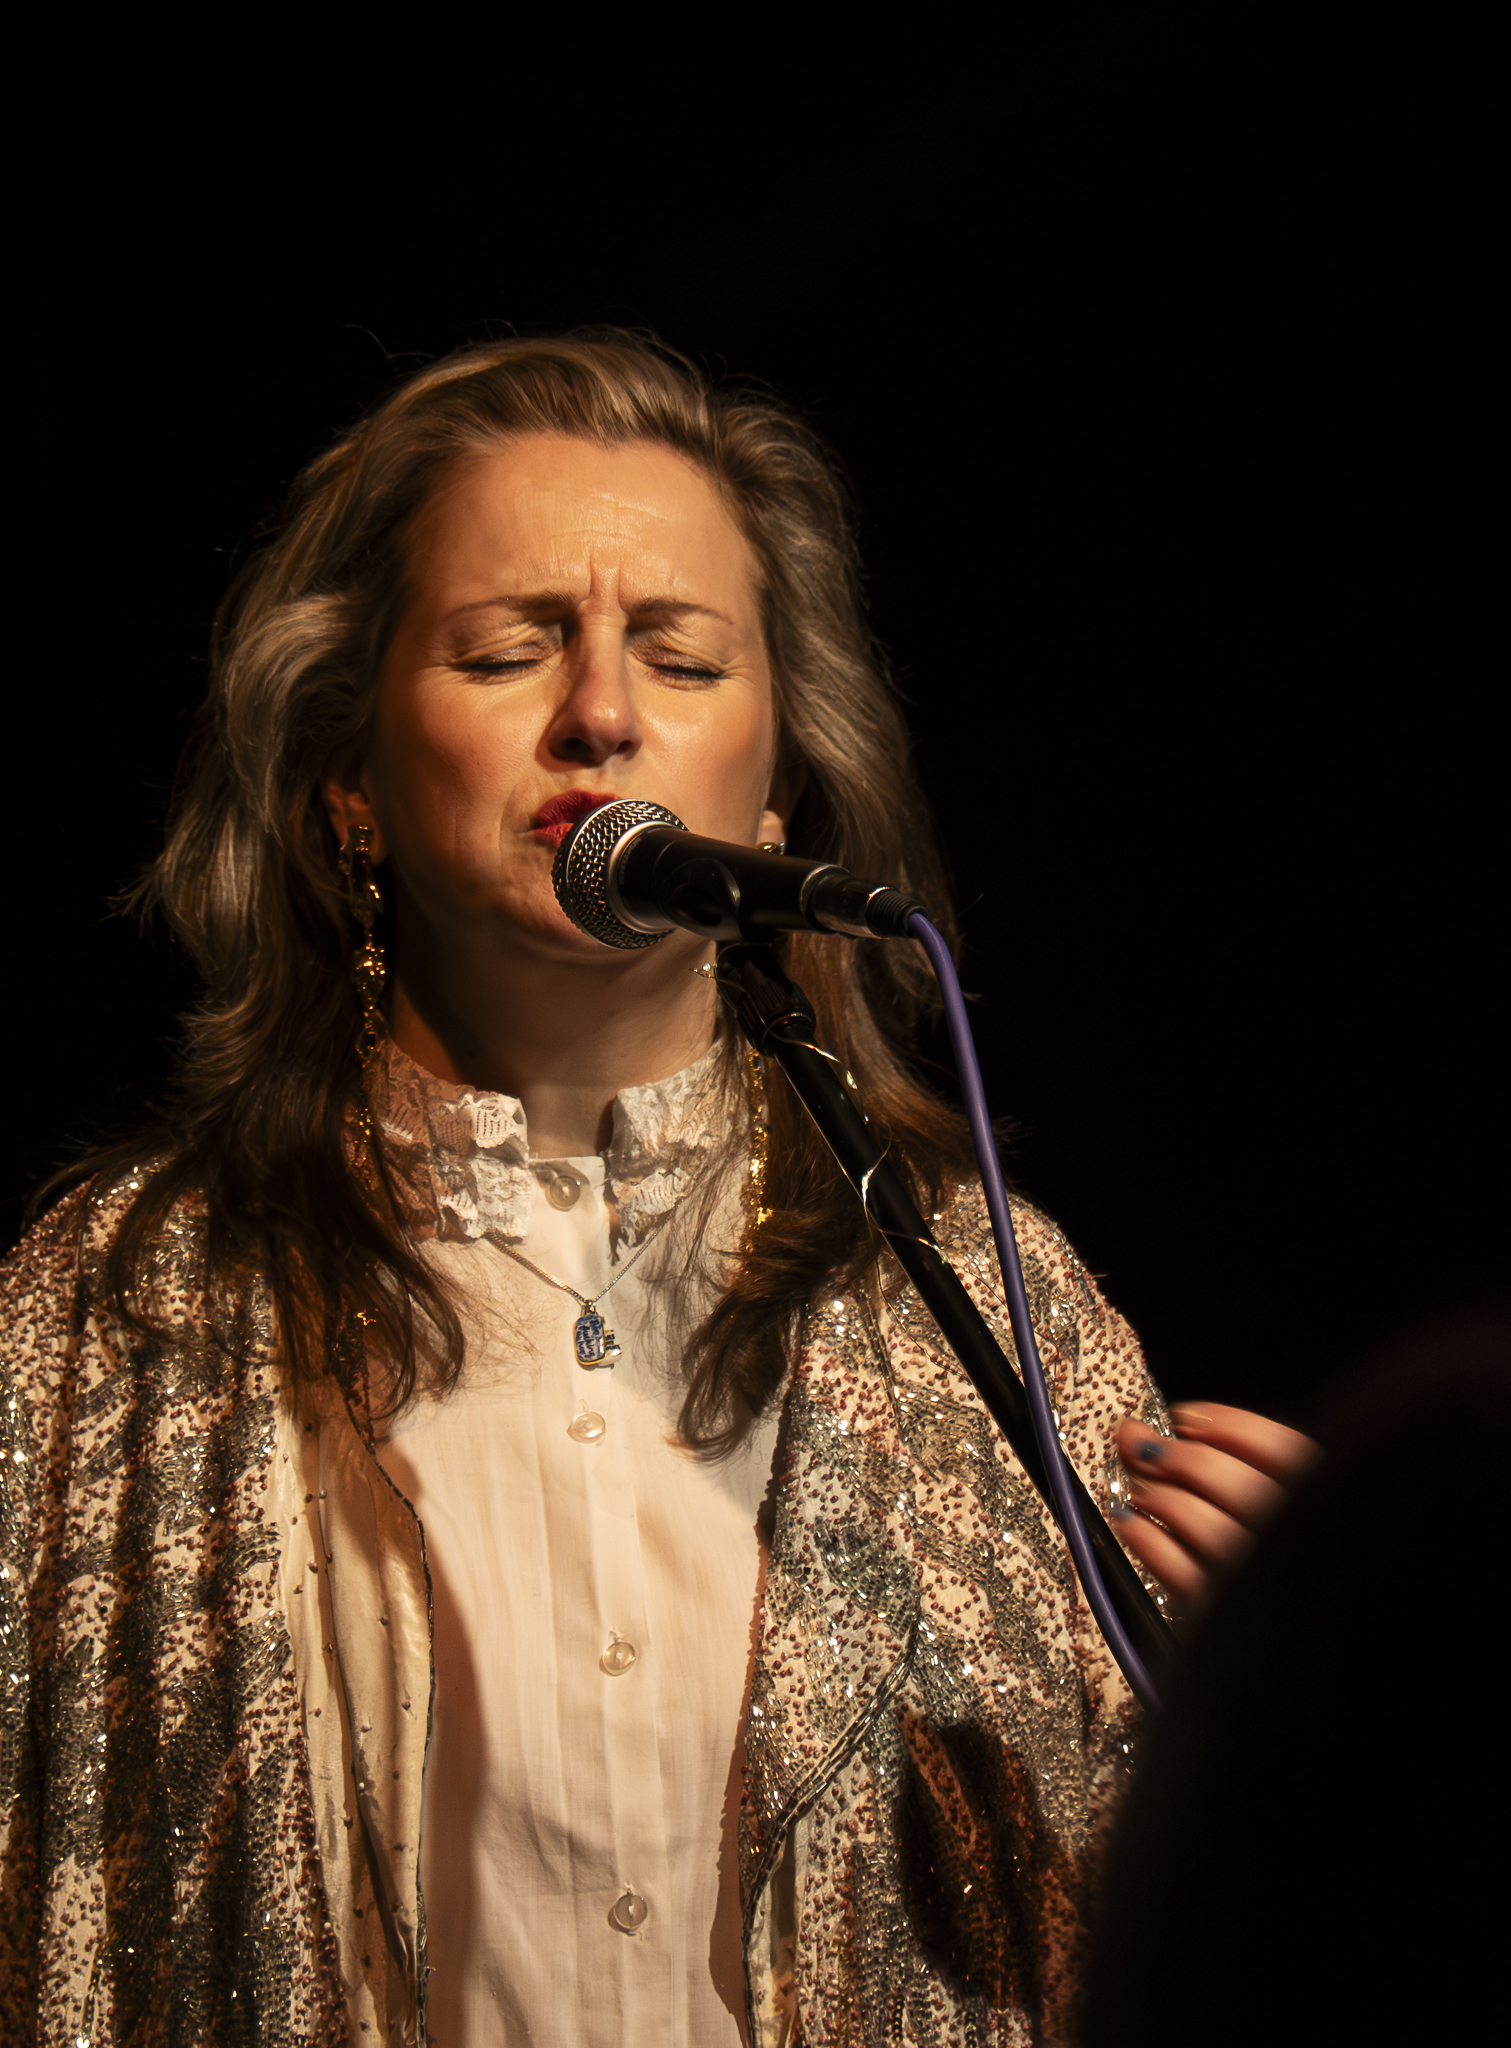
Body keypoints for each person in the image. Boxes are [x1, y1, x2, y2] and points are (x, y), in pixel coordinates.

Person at [0, 333, 1311, 2047]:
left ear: (774, 791)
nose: (601, 712)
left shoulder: (985, 1299)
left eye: (678, 658)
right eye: (508, 646)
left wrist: (1309, 1701)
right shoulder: (115, 1309)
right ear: (349, 784)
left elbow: (1191, 1930)